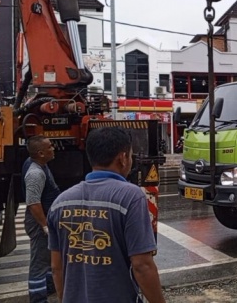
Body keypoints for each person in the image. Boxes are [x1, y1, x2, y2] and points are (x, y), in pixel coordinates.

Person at [47, 127, 165, 303]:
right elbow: (142, 266)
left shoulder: (60, 202)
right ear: (123, 158)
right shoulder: (131, 197)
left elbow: (57, 267)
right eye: (131, 155)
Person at [22, 135, 59, 303]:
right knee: (39, 262)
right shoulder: (35, 173)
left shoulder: (38, 164)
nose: (53, 148)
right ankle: (38, 298)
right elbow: (33, 203)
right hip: (39, 222)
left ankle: (50, 287)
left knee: (49, 256)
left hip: (45, 219)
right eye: (50, 146)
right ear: (41, 153)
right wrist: (45, 226)